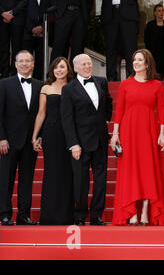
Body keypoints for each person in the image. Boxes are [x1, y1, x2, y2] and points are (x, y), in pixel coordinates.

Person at [110, 49, 164, 226]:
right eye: (134, 60)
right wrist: (115, 134)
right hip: (128, 131)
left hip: (149, 131)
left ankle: (144, 211)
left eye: (139, 60)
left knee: (147, 172)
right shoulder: (125, 85)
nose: (135, 62)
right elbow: (119, 111)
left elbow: (161, 110)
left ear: (147, 64)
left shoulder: (156, 85)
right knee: (131, 172)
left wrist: (162, 133)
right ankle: (131, 212)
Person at [60, 53, 112, 226]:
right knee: (81, 180)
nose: (87, 66)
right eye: (83, 64)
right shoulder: (68, 89)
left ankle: (97, 216)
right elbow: (67, 119)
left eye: (89, 63)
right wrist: (73, 143)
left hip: (101, 140)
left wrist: (106, 121)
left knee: (101, 179)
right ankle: (80, 215)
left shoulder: (102, 82)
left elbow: (108, 104)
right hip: (80, 143)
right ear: (75, 68)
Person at [0, 50, 43, 225]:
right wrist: (1, 138)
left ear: (33, 64)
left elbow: (42, 115)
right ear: (16, 64)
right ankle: (4, 214)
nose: (25, 64)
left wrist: (38, 137)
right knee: (5, 179)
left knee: (27, 179)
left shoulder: (40, 86)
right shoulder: (4, 84)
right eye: (21, 61)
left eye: (28, 61)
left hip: (30, 141)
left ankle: (23, 215)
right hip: (8, 141)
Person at [31, 57, 74, 225]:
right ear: (52, 70)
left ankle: (65, 215)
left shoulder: (73, 87)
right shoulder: (46, 88)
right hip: (51, 133)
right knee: (51, 172)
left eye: (62, 67)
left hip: (69, 134)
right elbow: (41, 113)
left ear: (68, 69)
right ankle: (49, 216)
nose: (59, 70)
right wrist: (35, 135)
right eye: (56, 67)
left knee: (67, 173)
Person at [93, 0, 144, 81]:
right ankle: (111, 79)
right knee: (111, 48)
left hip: (128, 17)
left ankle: (132, 78)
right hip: (110, 16)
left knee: (130, 48)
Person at [50, 0, 93, 64]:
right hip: (64, 14)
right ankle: (54, 75)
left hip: (79, 14)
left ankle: (76, 76)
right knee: (59, 46)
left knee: (78, 47)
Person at [23, 0, 55, 81]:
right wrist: (31, 28)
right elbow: (22, 13)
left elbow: (53, 13)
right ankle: (26, 81)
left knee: (41, 59)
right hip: (27, 32)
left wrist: (42, 27)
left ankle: (37, 83)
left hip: (43, 32)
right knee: (26, 58)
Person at [0, 0, 28, 78]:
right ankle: (3, 74)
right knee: (2, 47)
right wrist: (2, 13)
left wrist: (12, 13)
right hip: (1, 18)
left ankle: (14, 74)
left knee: (17, 46)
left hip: (17, 18)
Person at [144, 4, 164, 80]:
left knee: (162, 75)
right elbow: (146, 40)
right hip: (153, 54)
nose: (161, 13)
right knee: (153, 74)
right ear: (155, 13)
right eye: (159, 11)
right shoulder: (150, 25)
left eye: (162, 10)